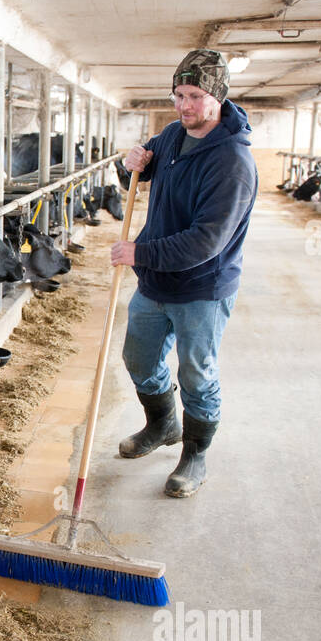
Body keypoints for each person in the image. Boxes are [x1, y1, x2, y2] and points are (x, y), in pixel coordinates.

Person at [109, 49, 257, 497]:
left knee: (196, 374)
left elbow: (204, 242)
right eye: (178, 94)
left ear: (217, 97)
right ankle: (162, 424)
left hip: (202, 289)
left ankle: (195, 454)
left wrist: (139, 252)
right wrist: (128, 163)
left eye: (194, 96)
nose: (183, 105)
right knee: (138, 359)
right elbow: (131, 178)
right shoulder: (172, 135)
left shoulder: (233, 162)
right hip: (155, 283)